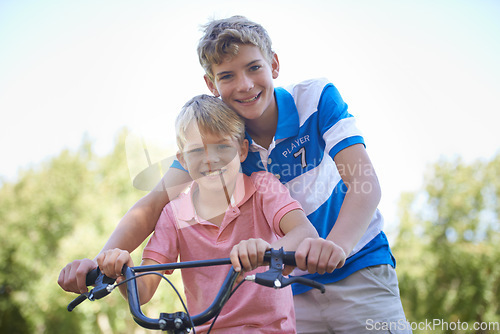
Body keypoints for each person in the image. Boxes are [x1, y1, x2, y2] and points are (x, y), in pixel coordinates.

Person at [59, 16, 410, 333]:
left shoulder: (315, 100)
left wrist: (334, 247)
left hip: (357, 263)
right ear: (212, 84)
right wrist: (101, 262)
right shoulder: (219, 145)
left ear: (273, 64)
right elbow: (152, 207)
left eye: (254, 67)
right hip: (286, 286)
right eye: (227, 75)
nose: (244, 85)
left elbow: (365, 185)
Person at [96, 94, 319, 333]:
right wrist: (122, 270)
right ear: (182, 160)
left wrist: (265, 250)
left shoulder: (262, 187)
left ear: (242, 150)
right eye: (196, 152)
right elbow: (143, 292)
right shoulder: (174, 214)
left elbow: (306, 233)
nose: (210, 160)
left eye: (222, 146)